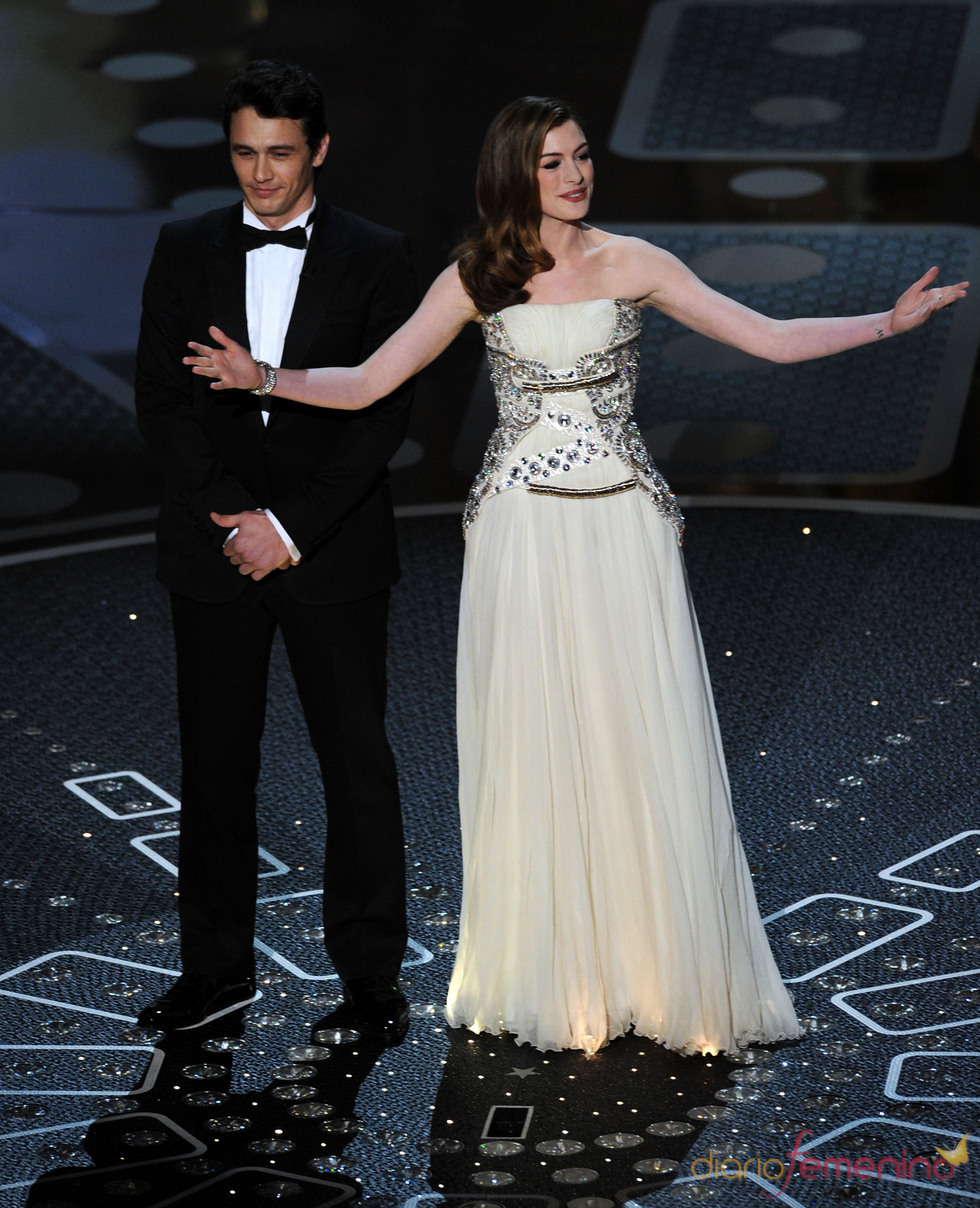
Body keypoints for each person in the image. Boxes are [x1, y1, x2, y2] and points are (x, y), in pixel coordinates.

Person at [184, 96, 968, 1055]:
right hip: (521, 537)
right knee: (540, 742)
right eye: (554, 162)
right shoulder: (479, 273)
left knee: (642, 737)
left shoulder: (634, 262)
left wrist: (884, 325)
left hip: (625, 529)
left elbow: (764, 335)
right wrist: (265, 377)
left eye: (582, 157)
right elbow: (365, 383)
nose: (575, 175)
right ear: (517, 172)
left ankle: (659, 973)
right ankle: (556, 975)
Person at [134, 60, 416, 1042]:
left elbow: (380, 417)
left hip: (331, 552)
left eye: (280, 155)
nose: (260, 174)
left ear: (320, 150)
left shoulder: (379, 255)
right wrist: (233, 517)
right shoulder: (182, 246)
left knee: (356, 768)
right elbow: (163, 404)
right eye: (245, 153)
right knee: (214, 769)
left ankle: (371, 980)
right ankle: (211, 972)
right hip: (213, 550)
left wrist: (288, 525)